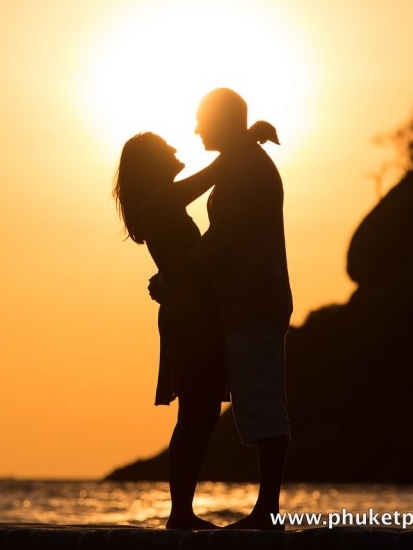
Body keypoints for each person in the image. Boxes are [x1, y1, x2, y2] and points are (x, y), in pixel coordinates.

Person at [113, 120, 278, 530]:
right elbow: (214, 174)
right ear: (152, 164)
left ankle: (182, 512)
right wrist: (245, 139)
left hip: (191, 313)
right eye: (166, 149)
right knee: (195, 416)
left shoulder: (159, 201)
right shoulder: (161, 200)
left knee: (198, 415)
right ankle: (181, 513)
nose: (175, 150)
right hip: (192, 319)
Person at [156, 88, 293, 530]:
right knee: (257, 401)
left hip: (255, 301)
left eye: (202, 120)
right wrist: (246, 138)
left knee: (264, 402)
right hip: (242, 303)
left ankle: (267, 512)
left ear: (223, 121)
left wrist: (174, 277)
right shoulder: (239, 162)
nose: (196, 129)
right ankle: (262, 510)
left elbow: (223, 238)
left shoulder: (247, 168)